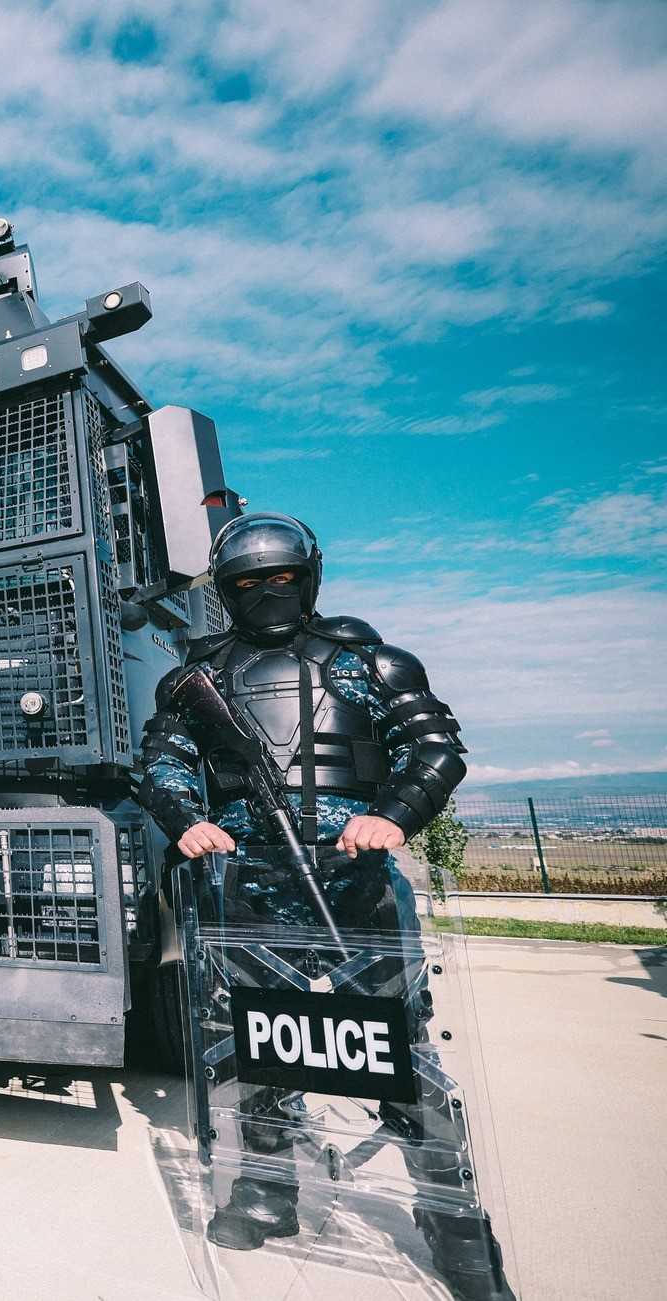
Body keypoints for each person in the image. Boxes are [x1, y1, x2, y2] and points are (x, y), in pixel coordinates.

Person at [137, 513, 508, 1301]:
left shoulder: (368, 662)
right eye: (246, 583)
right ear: (226, 592)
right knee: (257, 1043)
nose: (265, 593)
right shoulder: (196, 678)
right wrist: (188, 820)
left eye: (279, 578)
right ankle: (266, 1191)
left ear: (308, 576)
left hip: (356, 881)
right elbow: (162, 763)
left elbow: (434, 747)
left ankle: (457, 1229)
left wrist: (395, 815)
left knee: (398, 1054)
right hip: (247, 883)